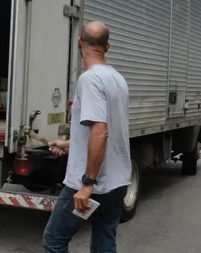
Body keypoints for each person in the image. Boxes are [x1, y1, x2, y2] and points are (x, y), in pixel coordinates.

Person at [43, 21, 131, 253]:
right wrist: (71, 144)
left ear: (79, 42)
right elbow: (102, 133)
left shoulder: (90, 79)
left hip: (93, 184)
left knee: (54, 240)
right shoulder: (117, 79)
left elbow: (100, 132)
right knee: (104, 241)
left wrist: (87, 184)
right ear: (107, 47)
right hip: (116, 183)